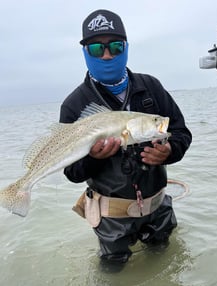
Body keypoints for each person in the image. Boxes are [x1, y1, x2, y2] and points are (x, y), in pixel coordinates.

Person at [60, 9, 192, 269]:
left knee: (165, 262)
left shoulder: (151, 87)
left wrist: (170, 151)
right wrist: (93, 159)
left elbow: (181, 133)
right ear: (86, 52)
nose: (107, 55)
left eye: (116, 46)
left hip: (158, 207)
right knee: (113, 272)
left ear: (126, 47)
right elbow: (72, 172)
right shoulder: (74, 105)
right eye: (97, 48)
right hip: (111, 217)